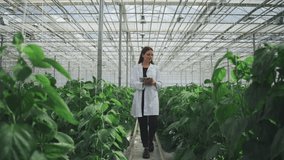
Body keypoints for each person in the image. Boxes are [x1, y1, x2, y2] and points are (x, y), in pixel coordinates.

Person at [130, 46, 162, 159]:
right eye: (148, 54)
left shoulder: (155, 68)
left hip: (152, 99)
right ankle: (146, 148)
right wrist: (143, 84)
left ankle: (150, 141)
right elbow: (132, 83)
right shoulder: (136, 68)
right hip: (140, 99)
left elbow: (160, 84)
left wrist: (153, 82)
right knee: (143, 125)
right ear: (143, 55)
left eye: (152, 55)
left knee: (153, 124)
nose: (150, 56)